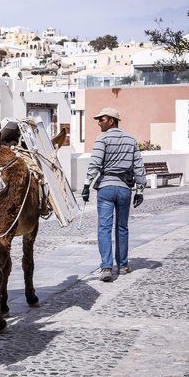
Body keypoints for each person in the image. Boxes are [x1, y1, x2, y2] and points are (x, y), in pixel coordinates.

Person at [81, 107, 147, 282]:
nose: (98, 123)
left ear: (111, 121)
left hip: (106, 188)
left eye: (101, 119)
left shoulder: (102, 139)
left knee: (104, 227)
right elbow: (139, 166)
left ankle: (106, 267)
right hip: (125, 189)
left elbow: (95, 162)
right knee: (122, 227)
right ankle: (123, 265)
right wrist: (140, 190)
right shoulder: (131, 140)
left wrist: (87, 184)